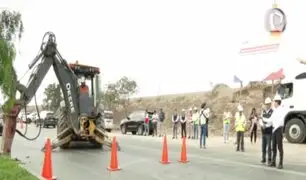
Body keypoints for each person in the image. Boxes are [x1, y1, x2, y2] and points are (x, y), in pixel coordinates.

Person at [268, 94, 285, 169]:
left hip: (278, 129)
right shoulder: (274, 111)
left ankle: (280, 163)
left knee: (280, 147)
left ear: (277, 102)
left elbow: (280, 121)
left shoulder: (281, 110)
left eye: (274, 101)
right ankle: (273, 162)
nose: (273, 103)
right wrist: (265, 123)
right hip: (274, 130)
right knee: (273, 146)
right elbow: (270, 120)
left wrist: (275, 128)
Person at [259, 97, 273, 165]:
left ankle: (269, 159)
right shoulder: (263, 112)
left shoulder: (272, 112)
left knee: (269, 147)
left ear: (270, 104)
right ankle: (263, 158)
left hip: (269, 132)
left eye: (268, 104)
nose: (267, 105)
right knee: (263, 146)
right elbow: (260, 120)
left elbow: (271, 122)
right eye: (266, 104)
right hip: (263, 132)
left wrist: (265, 125)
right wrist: (262, 125)